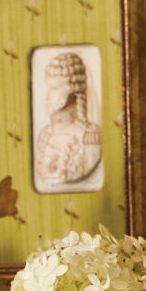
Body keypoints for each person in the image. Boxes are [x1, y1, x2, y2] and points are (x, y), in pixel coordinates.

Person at [33, 49, 102, 189]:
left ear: (73, 91)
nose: (48, 96)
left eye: (55, 88)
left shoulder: (91, 136)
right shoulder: (45, 136)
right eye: (49, 87)